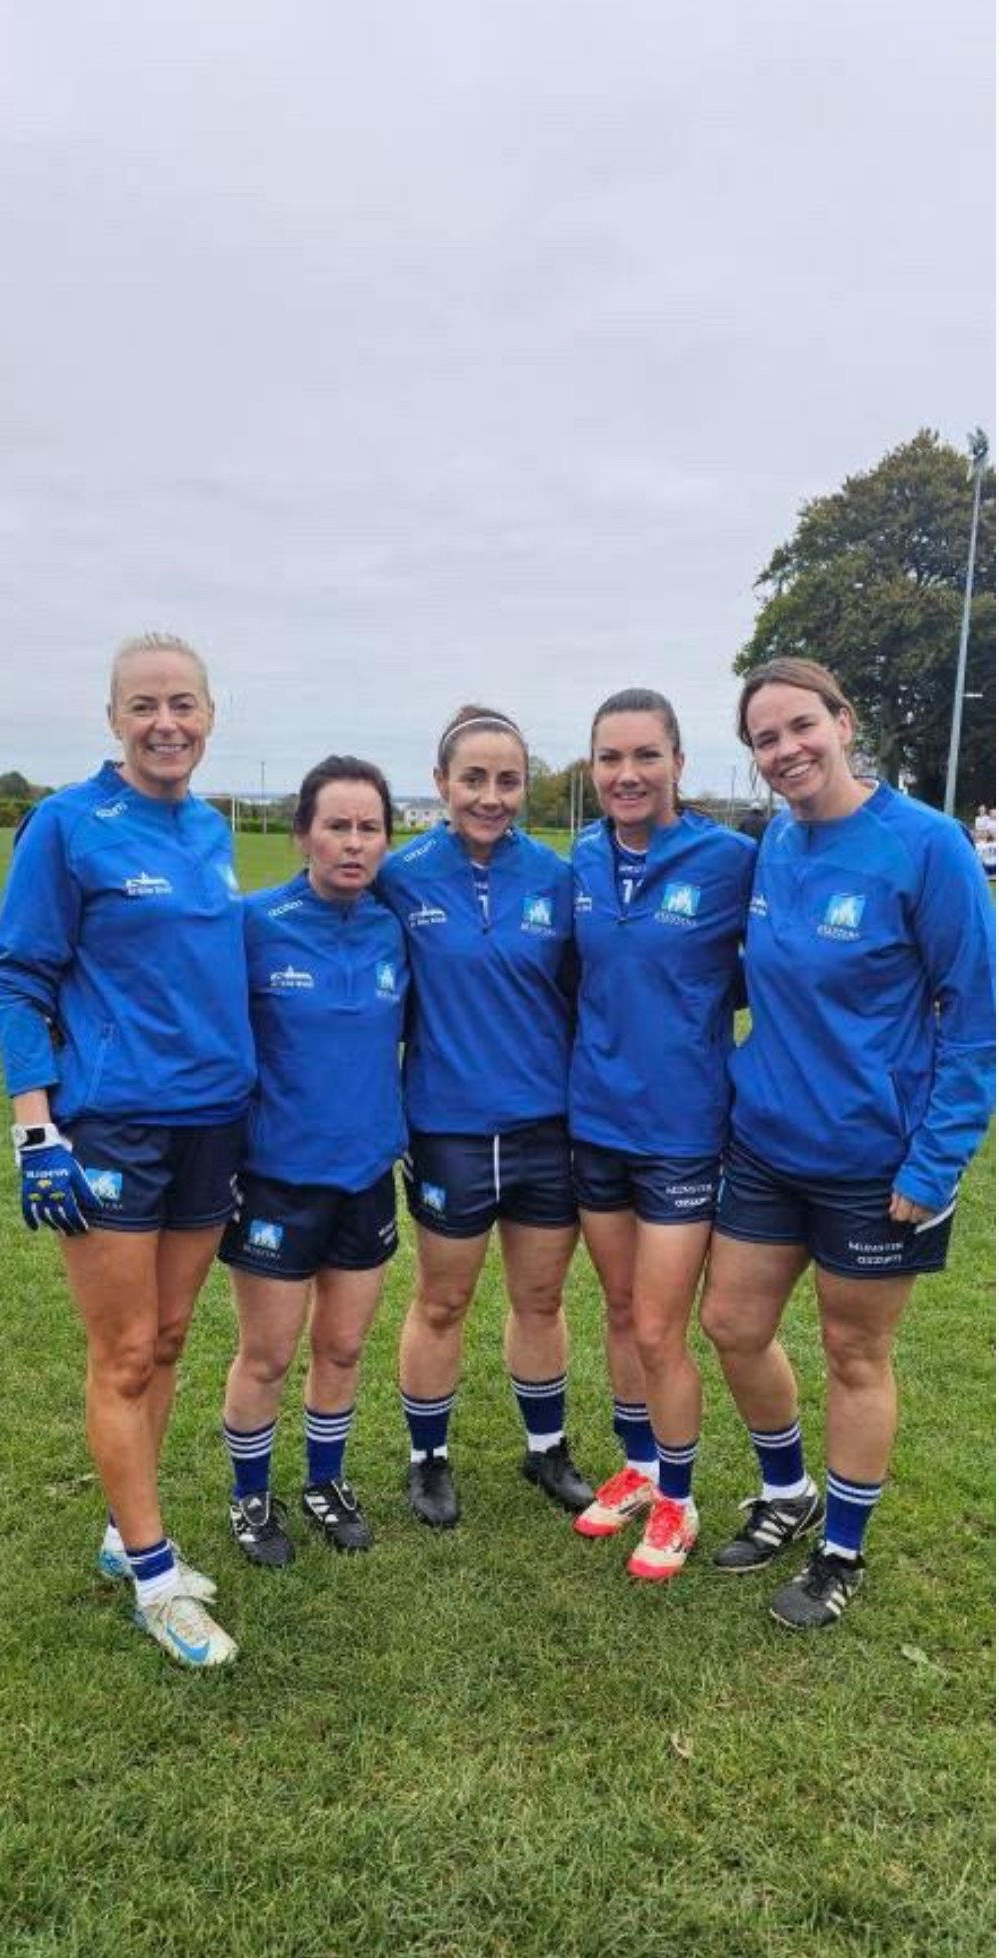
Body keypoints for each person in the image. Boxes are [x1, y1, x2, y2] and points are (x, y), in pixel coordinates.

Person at [700, 657, 995, 1629]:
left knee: (854, 1350)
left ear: (843, 721)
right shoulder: (773, 845)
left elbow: (974, 1017)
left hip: (877, 1161)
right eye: (765, 738)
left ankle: (841, 1550)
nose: (785, 749)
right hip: (765, 1144)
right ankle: (787, 1491)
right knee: (732, 1324)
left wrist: (935, 1159)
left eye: (800, 726)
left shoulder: (926, 845)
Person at [0, 632, 255, 1668]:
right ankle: (153, 1577)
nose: (165, 723)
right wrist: (36, 1128)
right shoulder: (67, 824)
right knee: (126, 1350)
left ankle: (121, 1530)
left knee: (173, 1336)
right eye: (144, 705)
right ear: (113, 718)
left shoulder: (210, 828)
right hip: (112, 1129)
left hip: (211, 1123)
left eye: (183, 704)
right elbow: (18, 976)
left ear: (210, 715)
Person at [376, 704, 590, 1527]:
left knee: (540, 1299)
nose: (491, 797)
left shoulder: (556, 877)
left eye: (508, 780)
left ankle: (546, 1447)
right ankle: (428, 1458)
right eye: (473, 779)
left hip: (545, 1128)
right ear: (441, 783)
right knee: (443, 1300)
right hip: (449, 1130)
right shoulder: (400, 876)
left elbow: (582, 992)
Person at [568, 690, 756, 1580]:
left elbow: (776, 964)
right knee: (618, 1311)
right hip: (594, 1122)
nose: (628, 773)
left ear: (679, 762)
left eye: (646, 755)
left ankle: (679, 1497)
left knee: (657, 1326)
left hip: (682, 1131)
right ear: (593, 767)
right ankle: (641, 1467)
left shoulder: (732, 861)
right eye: (611, 757)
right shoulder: (579, 858)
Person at [218, 757, 409, 1564]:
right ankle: (249, 1497)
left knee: (343, 1347)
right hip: (275, 1183)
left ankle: (324, 1482)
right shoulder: (254, 924)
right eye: (337, 825)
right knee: (267, 1354)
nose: (353, 843)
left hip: (365, 1178)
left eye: (370, 828)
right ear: (302, 834)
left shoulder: (393, 928)